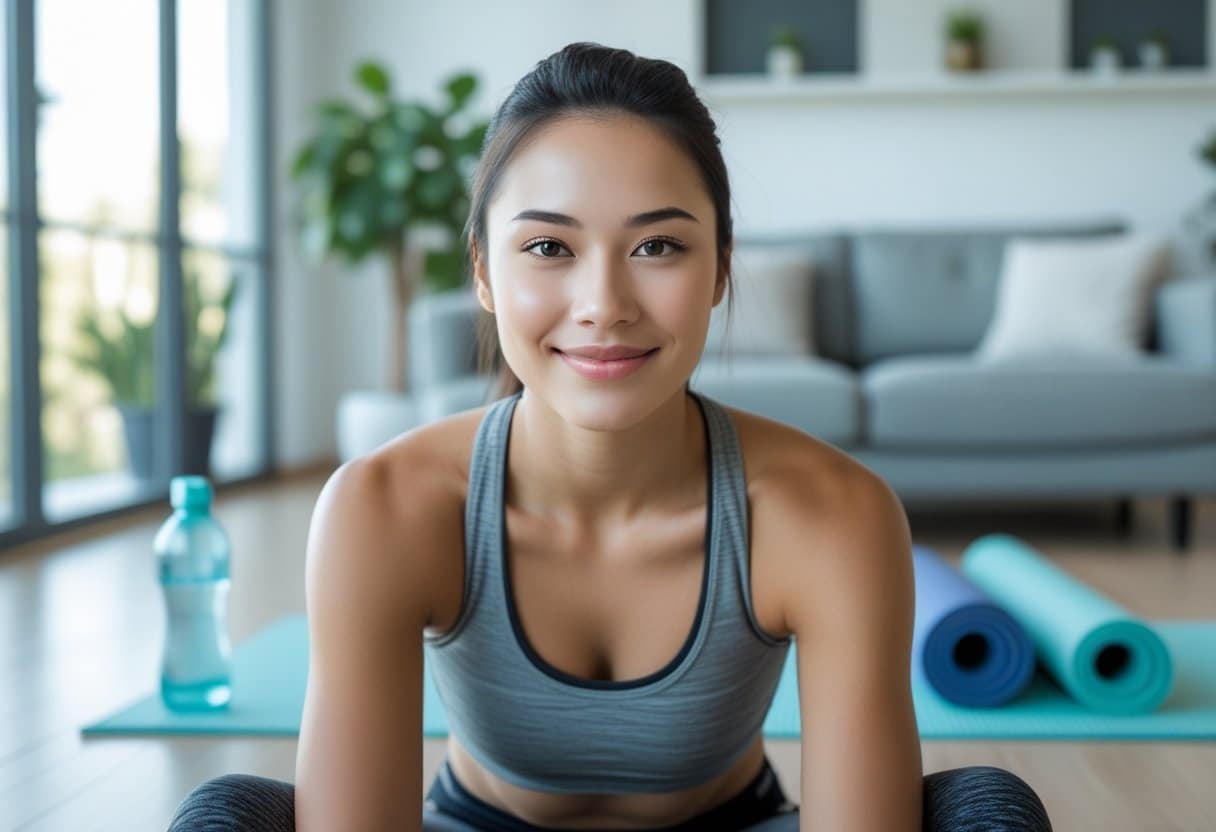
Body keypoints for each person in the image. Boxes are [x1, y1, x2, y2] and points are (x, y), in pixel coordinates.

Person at [168, 41, 1053, 832]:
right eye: (549, 249)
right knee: (227, 816)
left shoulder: (832, 512)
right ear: (482, 270)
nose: (604, 305)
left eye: (658, 247)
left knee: (989, 812)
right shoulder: (381, 507)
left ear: (720, 270)